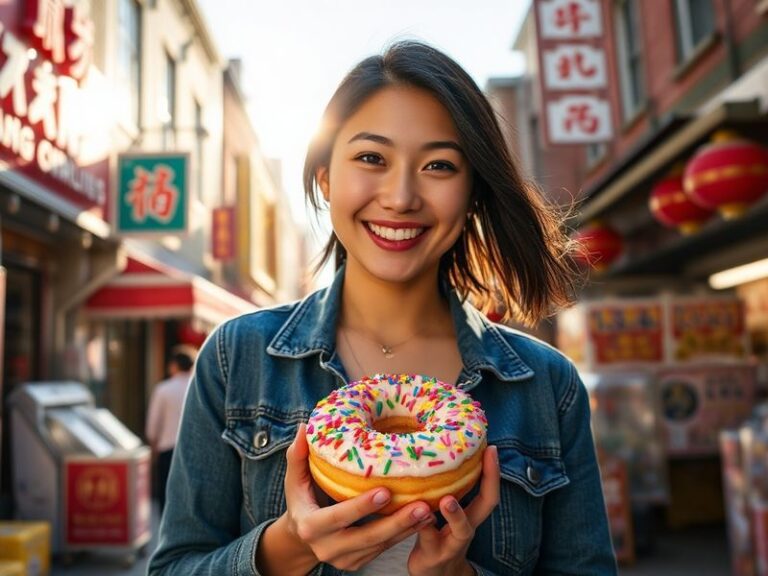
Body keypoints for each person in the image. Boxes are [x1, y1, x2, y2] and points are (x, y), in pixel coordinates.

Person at [148, 41, 617, 575]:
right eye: (372, 158)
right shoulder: (239, 359)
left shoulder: (545, 386)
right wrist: (287, 547)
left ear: (474, 194)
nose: (400, 197)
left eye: (439, 165)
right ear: (325, 177)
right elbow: (173, 567)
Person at [145, 345, 196, 515]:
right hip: (196, 450)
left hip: (168, 450)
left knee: (167, 498)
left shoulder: (163, 389)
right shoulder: (200, 388)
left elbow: (153, 426)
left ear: (174, 365)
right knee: (192, 499)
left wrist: (153, 451)